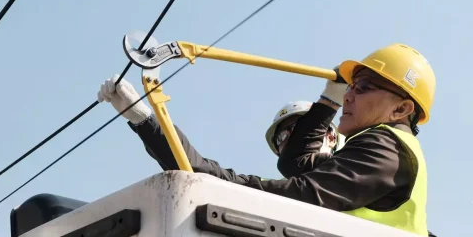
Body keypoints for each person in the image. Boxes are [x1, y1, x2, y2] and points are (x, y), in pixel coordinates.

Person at [100, 42, 435, 236]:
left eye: (361, 88)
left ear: (401, 108)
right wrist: (327, 100)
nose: (349, 97)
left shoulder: (385, 149)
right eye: (349, 87)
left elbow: (304, 193)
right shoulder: (375, 152)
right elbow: (296, 163)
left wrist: (224, 186)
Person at [96, 79, 342, 174]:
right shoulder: (280, 193)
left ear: (330, 134)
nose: (288, 140)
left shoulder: (359, 159)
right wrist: (142, 118)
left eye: (297, 128)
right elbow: (198, 169)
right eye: (280, 139)